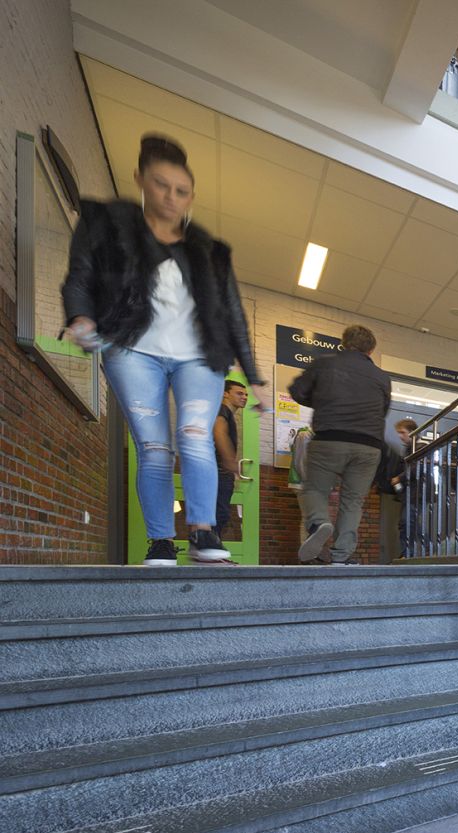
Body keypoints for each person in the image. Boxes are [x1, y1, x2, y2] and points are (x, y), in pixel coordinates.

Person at [62, 133, 265, 566]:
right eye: (160, 185)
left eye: (182, 191)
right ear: (139, 180)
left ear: (191, 196)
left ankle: (203, 532)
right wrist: (81, 317)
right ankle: (159, 540)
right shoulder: (107, 226)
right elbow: (79, 276)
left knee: (194, 439)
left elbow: (231, 313)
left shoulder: (209, 252)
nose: (171, 198)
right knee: (154, 448)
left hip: (198, 356)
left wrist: (255, 376)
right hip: (133, 350)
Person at [289, 324, 391, 565]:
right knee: (353, 500)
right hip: (368, 445)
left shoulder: (325, 363)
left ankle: (319, 522)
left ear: (344, 343)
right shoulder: (381, 377)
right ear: (371, 349)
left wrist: (323, 400)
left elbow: (297, 391)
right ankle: (341, 555)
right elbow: (383, 410)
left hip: (330, 438)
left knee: (315, 489)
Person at [377, 418, 417, 564]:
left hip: (416, 493)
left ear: (412, 432)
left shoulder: (418, 446)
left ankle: (408, 555)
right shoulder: (407, 448)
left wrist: (399, 478)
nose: (400, 436)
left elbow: (416, 468)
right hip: (410, 492)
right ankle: (407, 554)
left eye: (402, 432)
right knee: (406, 524)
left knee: (408, 524)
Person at [213, 378, 249, 539]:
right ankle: (209, 551)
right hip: (218, 472)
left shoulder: (227, 413)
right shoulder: (222, 411)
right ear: (225, 394)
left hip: (221, 473)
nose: (244, 397)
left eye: (246, 394)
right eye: (239, 393)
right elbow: (219, 432)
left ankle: (211, 550)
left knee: (220, 514)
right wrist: (230, 462)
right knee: (219, 514)